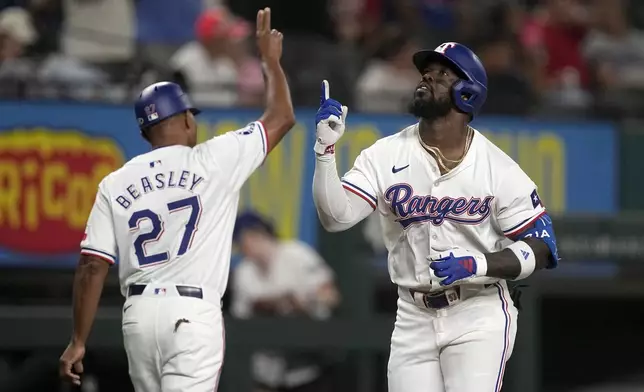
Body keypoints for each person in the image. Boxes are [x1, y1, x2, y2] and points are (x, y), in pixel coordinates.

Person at [58, 7, 295, 392]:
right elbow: (281, 116)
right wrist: (270, 61)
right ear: (186, 119)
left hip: (137, 317)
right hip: (191, 313)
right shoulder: (213, 158)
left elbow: (91, 266)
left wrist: (78, 340)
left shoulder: (115, 182)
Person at [311, 42, 560, 392]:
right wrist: (325, 153)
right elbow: (336, 218)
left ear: (468, 93)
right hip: (413, 314)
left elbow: (543, 247)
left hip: (478, 310)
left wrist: (479, 265)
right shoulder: (384, 154)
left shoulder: (499, 168)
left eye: (443, 74)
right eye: (426, 71)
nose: (428, 76)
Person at [230, 211, 340, 392]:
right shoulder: (244, 271)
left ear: (259, 233)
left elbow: (331, 297)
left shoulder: (296, 253)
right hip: (266, 367)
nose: (244, 246)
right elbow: (240, 319)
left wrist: (302, 304)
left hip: (307, 361)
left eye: (246, 239)